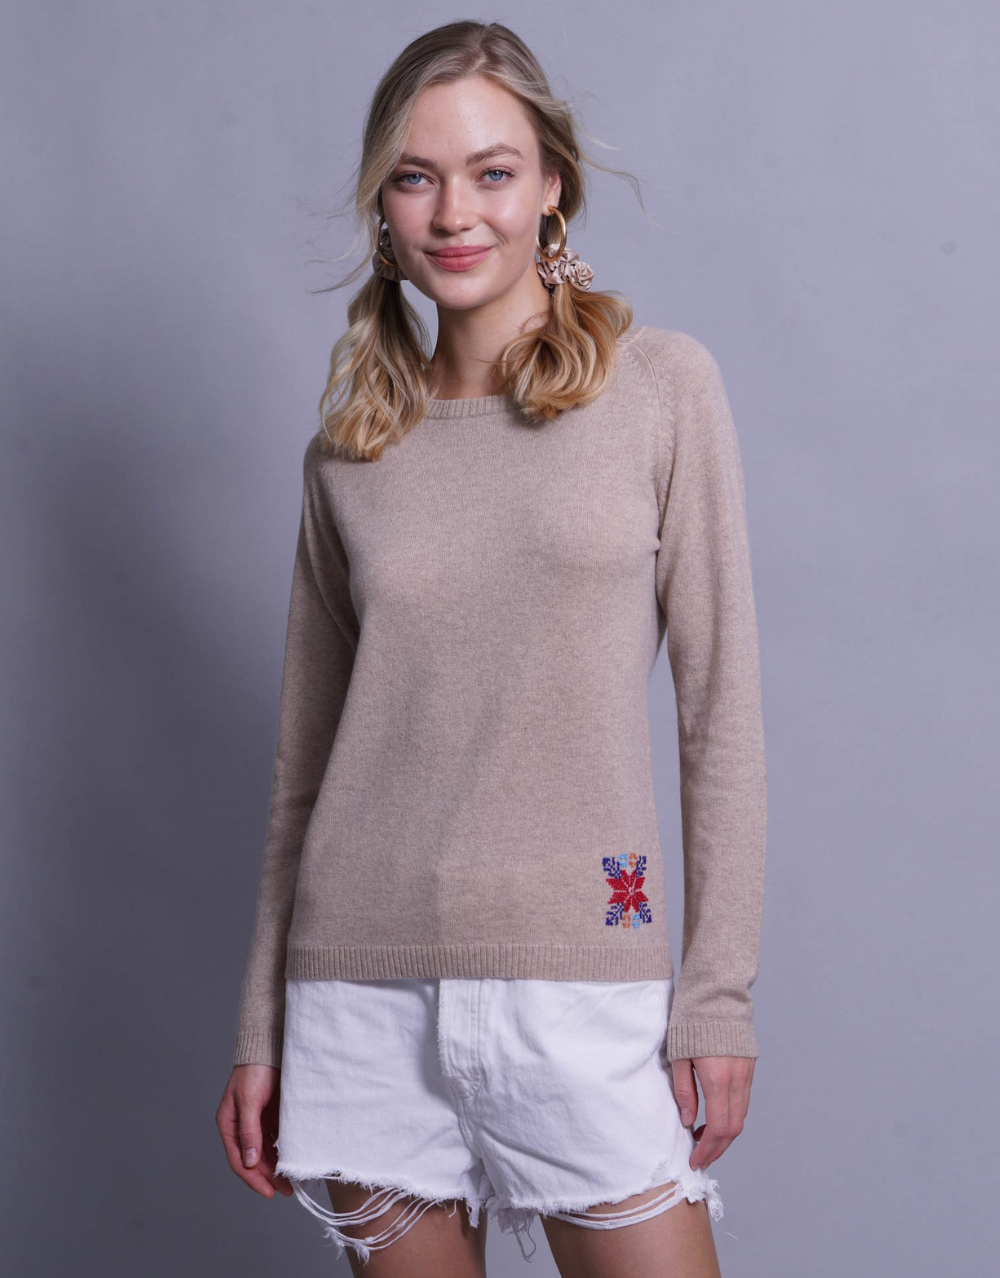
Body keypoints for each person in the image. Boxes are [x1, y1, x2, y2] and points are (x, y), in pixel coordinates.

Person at [215, 19, 767, 1278]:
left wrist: (716, 994)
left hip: (582, 971)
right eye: (415, 178)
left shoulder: (661, 391)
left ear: (551, 185)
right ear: (381, 205)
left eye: (492, 171)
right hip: (357, 990)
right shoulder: (348, 454)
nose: (454, 213)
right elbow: (303, 769)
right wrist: (260, 1026)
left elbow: (719, 714)